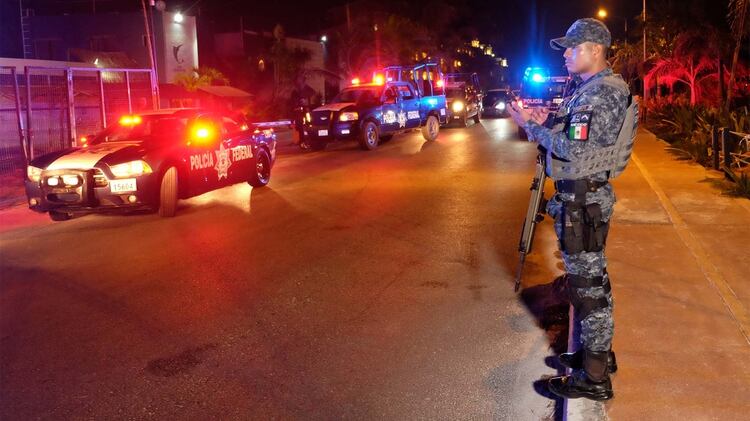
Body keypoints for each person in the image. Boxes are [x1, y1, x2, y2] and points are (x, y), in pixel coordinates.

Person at [508, 18, 634, 401]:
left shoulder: (600, 93)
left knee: (588, 290)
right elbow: (577, 139)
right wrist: (548, 123)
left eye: (572, 48)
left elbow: (576, 151)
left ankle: (593, 378)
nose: (565, 54)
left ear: (594, 50)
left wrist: (531, 126)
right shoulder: (591, 89)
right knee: (594, 282)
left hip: (583, 203)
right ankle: (596, 356)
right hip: (582, 200)